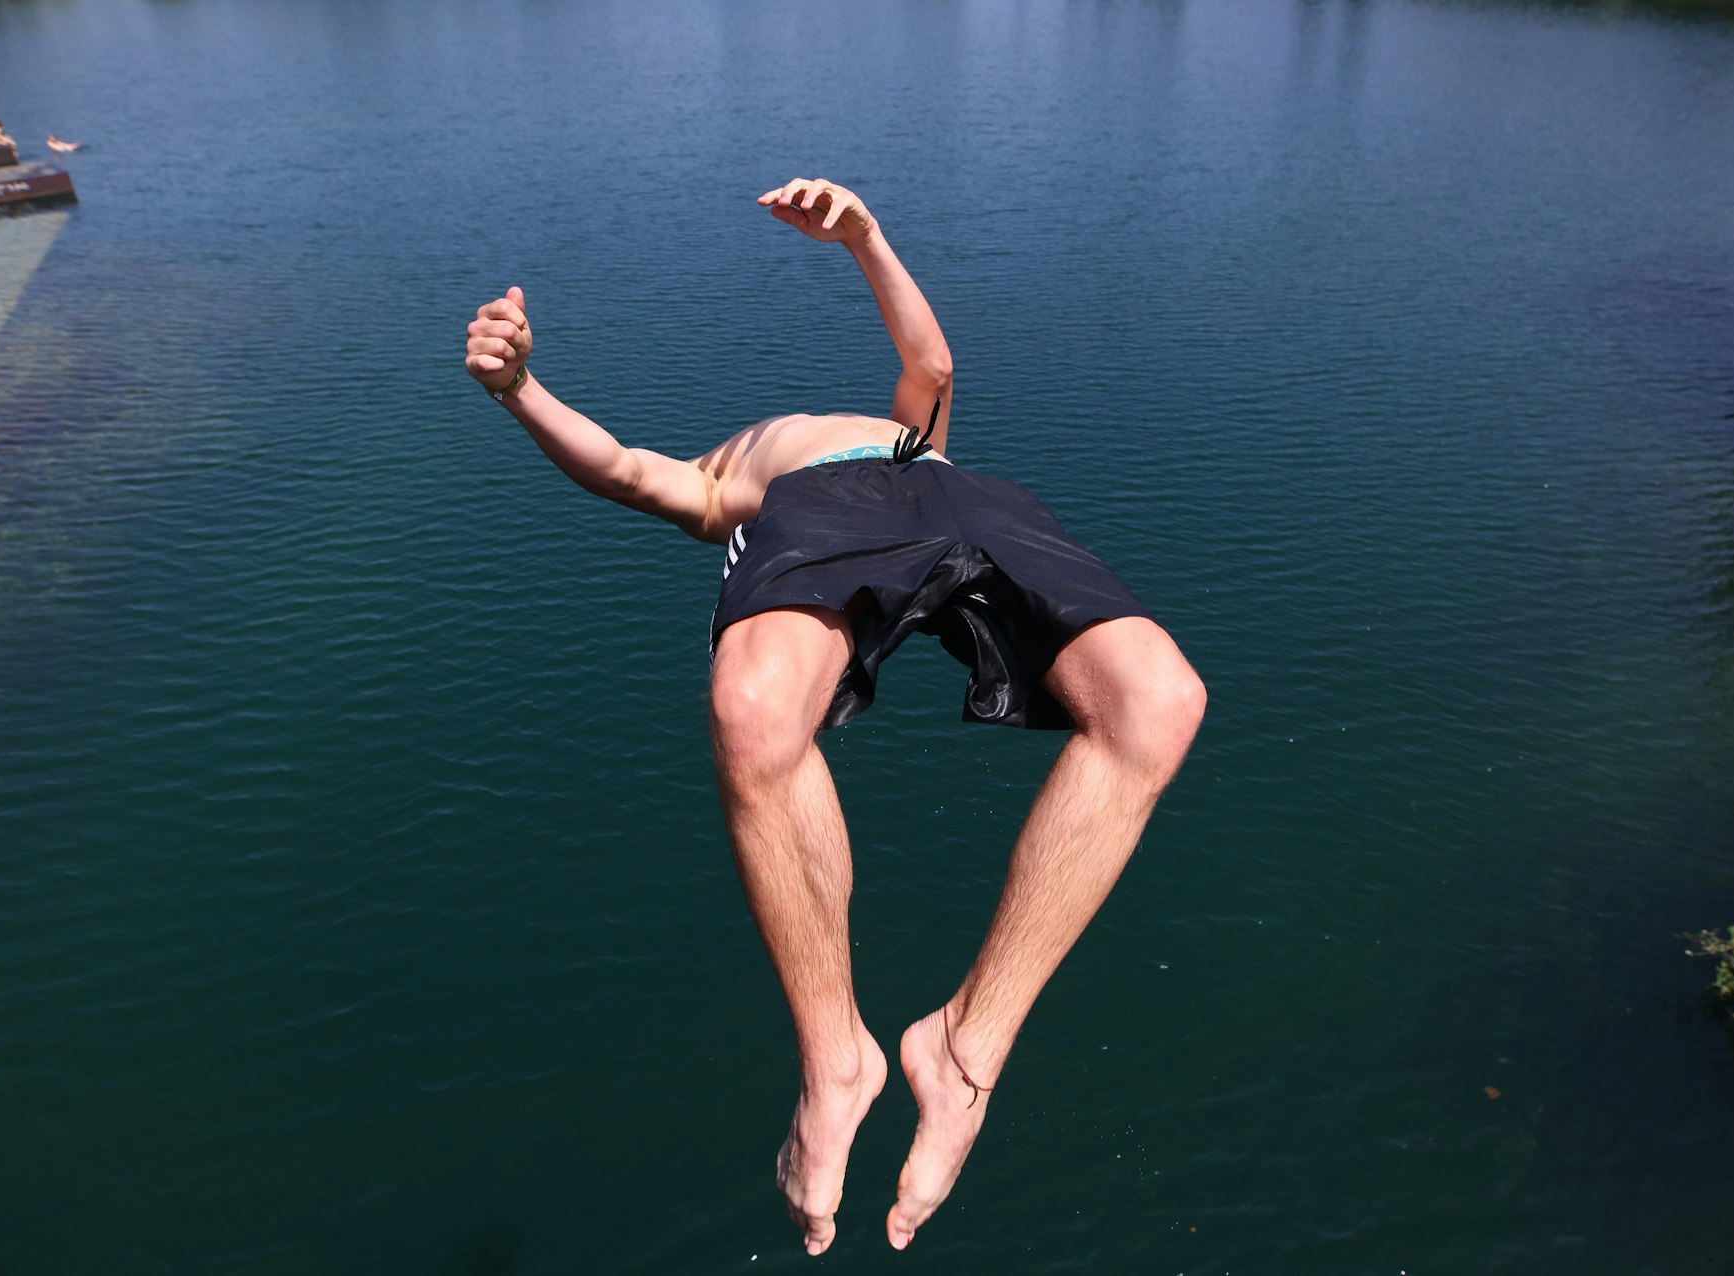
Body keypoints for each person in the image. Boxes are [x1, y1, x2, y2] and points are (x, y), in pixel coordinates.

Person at [463, 178, 1205, 1255]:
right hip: (813, 511)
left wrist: (864, 236)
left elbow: (932, 370)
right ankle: (836, 1058)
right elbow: (624, 469)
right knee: (756, 710)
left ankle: (963, 1049)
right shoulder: (723, 482)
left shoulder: (918, 428)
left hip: (945, 486)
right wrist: (521, 390)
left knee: (1158, 700)